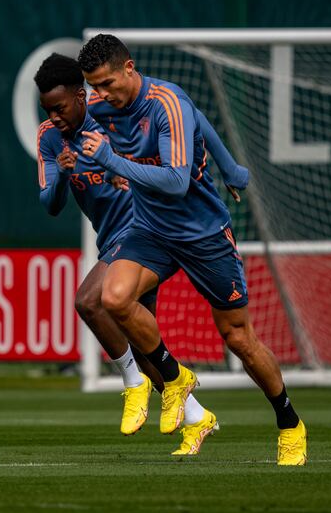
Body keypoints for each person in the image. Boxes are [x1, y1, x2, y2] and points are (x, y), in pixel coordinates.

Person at [77, 34, 307, 465]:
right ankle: (175, 378)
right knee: (113, 297)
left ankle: (289, 421)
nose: (100, 95)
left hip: (203, 234)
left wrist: (112, 163)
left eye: (107, 83)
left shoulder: (166, 104)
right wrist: (230, 166)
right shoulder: (102, 107)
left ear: (130, 67)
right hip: (150, 230)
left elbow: (177, 181)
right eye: (94, 87)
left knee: (238, 337)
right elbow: (200, 121)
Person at [35, 53, 217, 453]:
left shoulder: (113, 118)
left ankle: (133, 386)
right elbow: (49, 203)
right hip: (112, 240)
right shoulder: (49, 137)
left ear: (81, 97)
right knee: (146, 349)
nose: (56, 116)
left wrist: (227, 167)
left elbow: (186, 121)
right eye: (48, 109)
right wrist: (64, 175)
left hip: (141, 231)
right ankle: (198, 416)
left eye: (61, 107)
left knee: (89, 300)